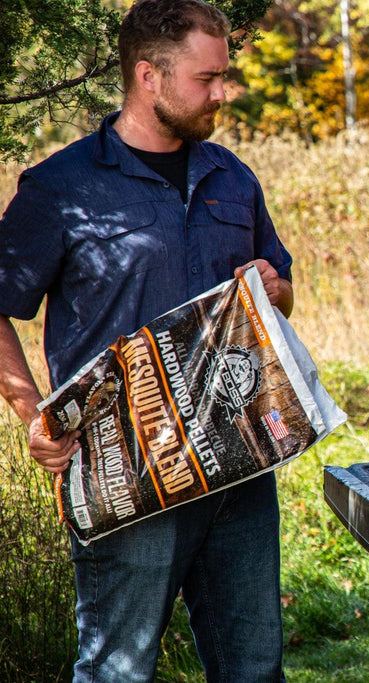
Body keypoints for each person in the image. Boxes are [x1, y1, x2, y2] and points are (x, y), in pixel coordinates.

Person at [0, 1, 292, 680]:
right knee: (117, 672)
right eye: (207, 78)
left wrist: (274, 291)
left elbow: (281, 293)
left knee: (255, 669)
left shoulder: (230, 176)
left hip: (239, 469)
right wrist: (33, 413)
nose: (223, 92)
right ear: (148, 76)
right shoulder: (60, 190)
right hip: (125, 476)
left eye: (225, 76)